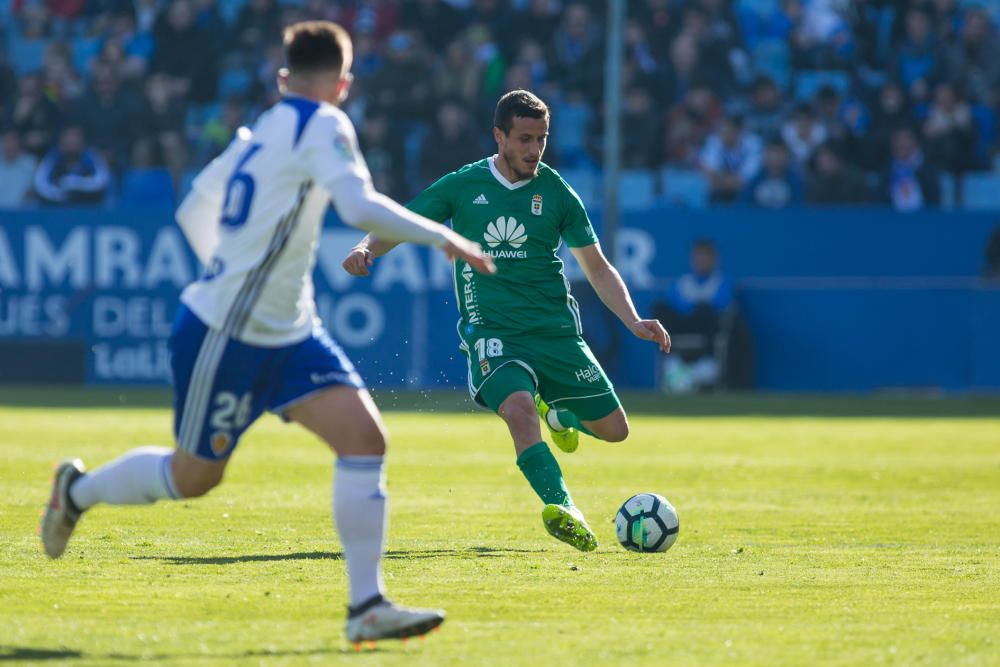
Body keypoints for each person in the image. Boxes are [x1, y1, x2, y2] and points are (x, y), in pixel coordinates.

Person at [41, 20, 495, 646]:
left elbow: (195, 204)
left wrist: (226, 267)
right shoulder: (325, 123)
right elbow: (358, 207)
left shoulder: (263, 129)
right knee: (194, 477)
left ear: (284, 77)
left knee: (365, 441)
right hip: (225, 334)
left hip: (288, 333)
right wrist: (443, 234)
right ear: (344, 83)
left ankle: (366, 604)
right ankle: (78, 491)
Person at [342, 90, 671, 553]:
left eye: (541, 139)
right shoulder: (463, 185)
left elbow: (596, 266)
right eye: (523, 139)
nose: (534, 149)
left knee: (615, 430)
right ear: (499, 136)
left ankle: (559, 415)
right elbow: (405, 221)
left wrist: (634, 321)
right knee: (517, 408)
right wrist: (365, 248)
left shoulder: (556, 192)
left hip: (554, 330)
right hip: (492, 331)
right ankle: (563, 506)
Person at [652, 239, 734, 393]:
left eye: (705, 257)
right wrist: (691, 307)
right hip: (682, 327)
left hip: (706, 331)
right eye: (698, 257)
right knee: (659, 308)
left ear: (714, 259)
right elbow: (673, 303)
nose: (701, 261)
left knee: (705, 311)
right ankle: (672, 360)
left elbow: (721, 304)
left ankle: (700, 370)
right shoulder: (683, 283)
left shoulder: (722, 282)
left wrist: (695, 305)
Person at [33, 124, 111, 206]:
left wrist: (74, 183)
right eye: (68, 136)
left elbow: (101, 180)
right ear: (61, 140)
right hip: (58, 207)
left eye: (76, 137)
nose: (72, 140)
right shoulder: (52, 158)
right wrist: (62, 194)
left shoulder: (91, 156)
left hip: (88, 206)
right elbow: (41, 184)